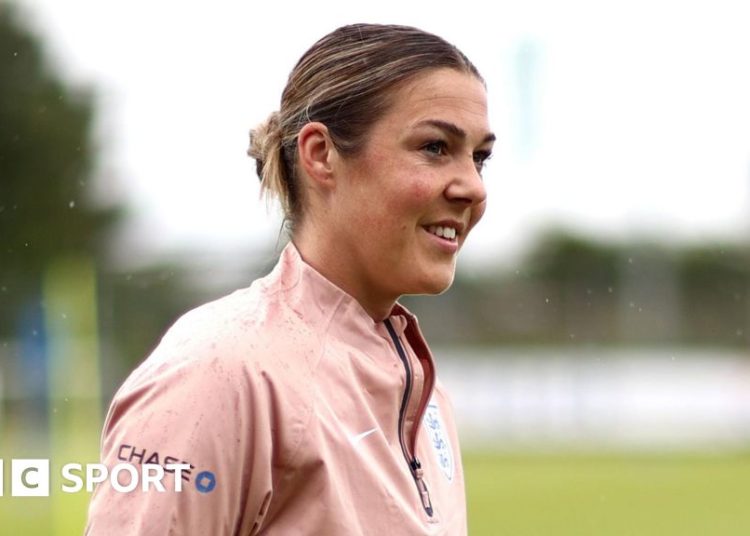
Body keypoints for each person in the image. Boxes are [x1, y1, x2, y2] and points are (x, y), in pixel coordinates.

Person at [86, 23, 494, 535]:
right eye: (435, 147)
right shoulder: (220, 371)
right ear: (321, 154)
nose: (473, 187)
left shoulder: (425, 395)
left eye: (480, 157)